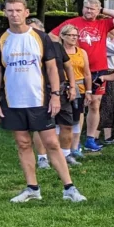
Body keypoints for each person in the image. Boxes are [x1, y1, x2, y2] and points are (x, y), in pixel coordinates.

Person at [0, 0, 86, 203]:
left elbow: (52, 68)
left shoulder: (41, 38)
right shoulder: (0, 40)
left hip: (39, 99)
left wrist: (55, 96)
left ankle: (69, 188)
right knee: (23, 143)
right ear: (5, 13)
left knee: (51, 142)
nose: (14, 14)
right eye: (10, 11)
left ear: (26, 12)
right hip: (13, 101)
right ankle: (32, 189)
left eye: (18, 10)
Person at [50, 0, 114, 152]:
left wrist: (102, 10)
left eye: (93, 9)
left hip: (98, 69)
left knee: (95, 104)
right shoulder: (73, 22)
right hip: (76, 70)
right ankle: (73, 141)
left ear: (98, 10)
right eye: (86, 8)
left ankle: (91, 139)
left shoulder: (103, 23)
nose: (89, 11)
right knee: (75, 105)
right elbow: (51, 36)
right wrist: (63, 52)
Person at [27, 18, 81, 169]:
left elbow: (68, 66)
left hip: (62, 90)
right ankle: (42, 158)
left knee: (67, 125)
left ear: (42, 31)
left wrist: (72, 86)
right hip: (40, 91)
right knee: (42, 126)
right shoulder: (28, 48)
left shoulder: (56, 46)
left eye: (35, 30)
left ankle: (66, 155)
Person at [59, 24, 92, 157]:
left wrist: (89, 91)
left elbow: (87, 73)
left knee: (78, 117)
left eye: (75, 35)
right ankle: (60, 148)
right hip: (62, 87)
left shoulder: (81, 52)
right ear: (62, 36)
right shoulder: (58, 51)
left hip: (80, 87)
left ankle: (75, 147)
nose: (73, 38)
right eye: (70, 35)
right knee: (62, 119)